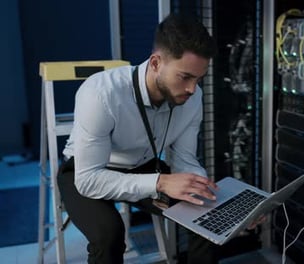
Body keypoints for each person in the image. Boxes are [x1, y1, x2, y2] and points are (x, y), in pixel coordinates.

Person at [57, 14, 221, 263]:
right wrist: (160, 183)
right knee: (108, 234)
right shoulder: (100, 94)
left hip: (144, 166)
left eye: (199, 78)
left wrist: (214, 200)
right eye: (185, 76)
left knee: (206, 214)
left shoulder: (192, 96)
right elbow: (89, 180)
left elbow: (184, 159)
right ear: (156, 63)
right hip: (87, 171)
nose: (192, 88)